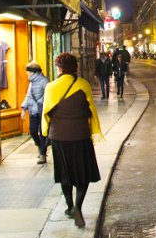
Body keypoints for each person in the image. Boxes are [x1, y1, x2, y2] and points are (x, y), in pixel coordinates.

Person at [42, 52, 102, 228]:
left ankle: (69, 207)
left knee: (65, 173)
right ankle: (78, 207)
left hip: (59, 137)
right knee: (83, 174)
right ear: (75, 67)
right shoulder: (83, 85)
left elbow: (46, 114)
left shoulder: (51, 87)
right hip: (81, 135)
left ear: (59, 68)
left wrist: (45, 135)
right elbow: (91, 110)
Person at [21, 62, 49, 164]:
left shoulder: (44, 81)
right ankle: (39, 146)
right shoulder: (31, 82)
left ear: (33, 72)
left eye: (27, 71)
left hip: (42, 111)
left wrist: (42, 104)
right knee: (32, 131)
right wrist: (24, 108)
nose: (26, 73)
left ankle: (42, 154)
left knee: (43, 133)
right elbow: (28, 96)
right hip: (33, 111)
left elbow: (48, 95)